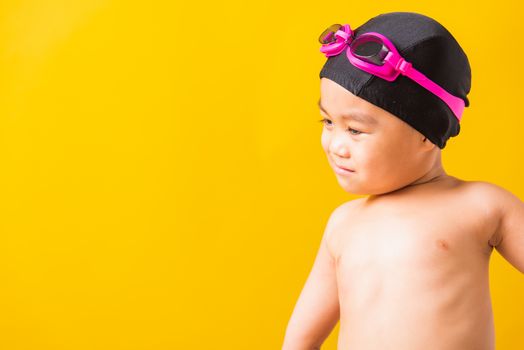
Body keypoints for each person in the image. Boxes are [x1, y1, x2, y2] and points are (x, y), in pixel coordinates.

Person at [282, 12, 523, 350]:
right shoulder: (343, 224)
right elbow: (300, 340)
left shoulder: (482, 206)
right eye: (327, 122)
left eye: (354, 130)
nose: (336, 145)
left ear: (427, 132)